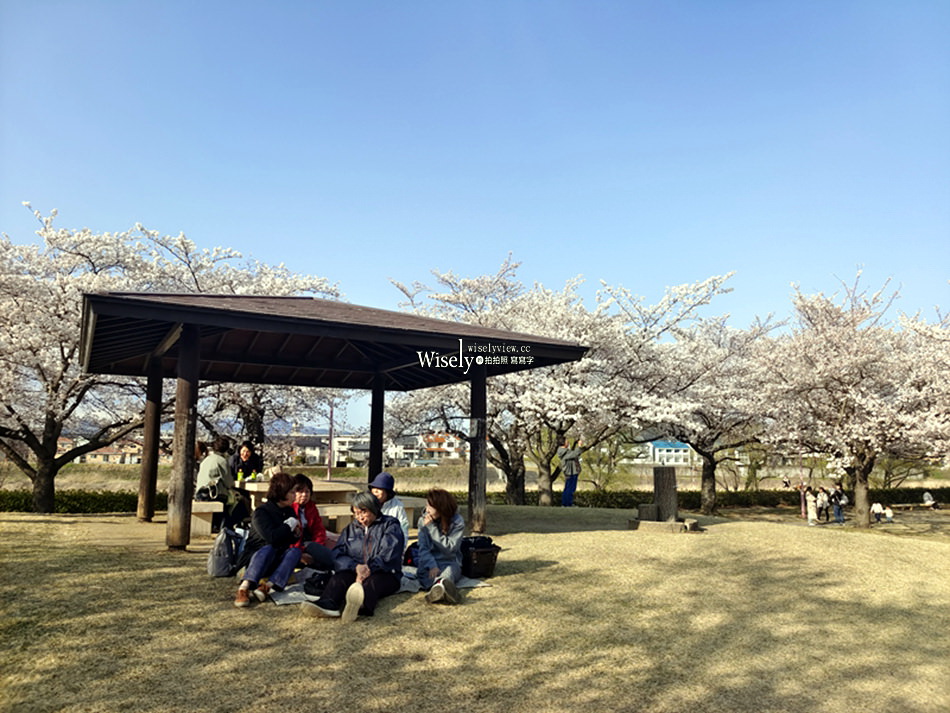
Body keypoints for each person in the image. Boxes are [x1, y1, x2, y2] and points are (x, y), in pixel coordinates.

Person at [302, 491, 404, 623]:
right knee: (338, 578)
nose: (359, 517)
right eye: (356, 513)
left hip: (385, 572)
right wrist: (355, 567)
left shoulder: (390, 525)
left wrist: (369, 569)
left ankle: (360, 605)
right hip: (356, 569)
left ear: (373, 508)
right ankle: (328, 603)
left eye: (363, 512)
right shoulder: (350, 529)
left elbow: (388, 553)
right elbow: (338, 554)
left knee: (370, 584)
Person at [234, 472, 302, 607]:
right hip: (255, 558)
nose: (295, 495)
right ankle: (244, 587)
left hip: (275, 557)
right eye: (292, 492)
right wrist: (288, 525)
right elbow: (271, 538)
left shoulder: (289, 511)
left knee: (295, 552)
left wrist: (296, 534)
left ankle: (267, 587)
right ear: (282, 492)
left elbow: (288, 540)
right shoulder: (262, 512)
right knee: (269, 548)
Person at [416, 488, 465, 605]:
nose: (426, 510)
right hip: (429, 562)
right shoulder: (422, 521)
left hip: (449, 561)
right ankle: (442, 589)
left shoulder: (457, 522)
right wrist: (432, 565)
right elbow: (423, 549)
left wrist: (432, 528)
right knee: (427, 575)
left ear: (440, 507)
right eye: (426, 505)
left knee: (448, 573)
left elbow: (450, 549)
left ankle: (439, 588)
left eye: (430, 507)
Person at [196, 435, 249, 530]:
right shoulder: (222, 461)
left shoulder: (206, 460)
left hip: (200, 493)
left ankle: (220, 525)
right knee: (238, 501)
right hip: (212, 494)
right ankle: (226, 526)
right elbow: (229, 483)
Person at [291, 473, 334, 571]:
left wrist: (318, 545)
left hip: (310, 543)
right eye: (300, 492)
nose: (304, 495)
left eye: (307, 492)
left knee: (324, 553)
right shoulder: (288, 509)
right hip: (295, 546)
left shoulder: (311, 507)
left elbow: (319, 529)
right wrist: (300, 553)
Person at [368, 471, 409, 542]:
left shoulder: (397, 506)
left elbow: (403, 530)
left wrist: (401, 549)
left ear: (387, 492)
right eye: (374, 487)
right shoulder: (367, 503)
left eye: (379, 488)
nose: (375, 491)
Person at [557, 438, 583, 507]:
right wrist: (579, 446)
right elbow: (575, 454)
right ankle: (567, 504)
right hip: (570, 472)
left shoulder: (563, 451)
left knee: (568, 488)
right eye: (567, 441)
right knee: (570, 488)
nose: (568, 442)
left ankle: (566, 503)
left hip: (570, 471)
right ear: (563, 443)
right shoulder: (564, 452)